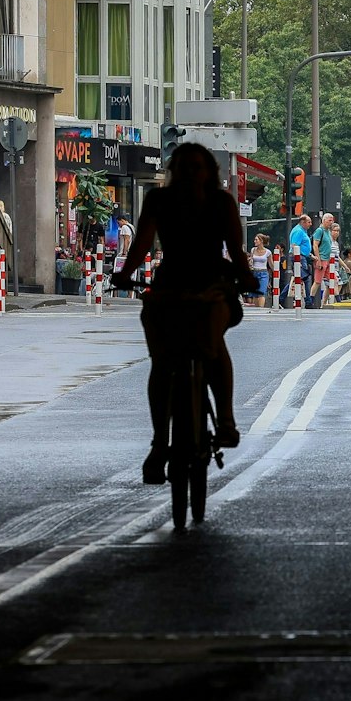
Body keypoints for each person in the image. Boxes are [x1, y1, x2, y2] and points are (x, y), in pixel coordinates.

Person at [109, 142, 246, 485]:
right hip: (176, 286)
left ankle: (223, 420)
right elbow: (142, 243)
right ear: (174, 173)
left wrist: (244, 274)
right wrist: (126, 273)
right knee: (163, 360)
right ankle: (161, 442)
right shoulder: (165, 201)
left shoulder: (219, 203)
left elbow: (235, 247)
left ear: (208, 173)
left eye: (195, 168)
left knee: (209, 345)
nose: (189, 175)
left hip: (207, 285)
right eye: (184, 168)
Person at [287, 214, 314, 306]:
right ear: (303, 222)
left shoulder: (303, 231)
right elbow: (294, 245)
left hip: (302, 257)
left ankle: (281, 297)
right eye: (309, 222)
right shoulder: (298, 231)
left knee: (299, 279)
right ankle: (308, 302)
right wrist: (297, 261)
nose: (311, 224)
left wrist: (310, 255)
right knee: (304, 278)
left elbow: (302, 246)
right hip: (299, 257)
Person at [312, 213, 337, 307]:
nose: (331, 222)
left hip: (328, 259)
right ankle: (311, 300)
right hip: (321, 258)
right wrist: (318, 259)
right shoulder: (319, 231)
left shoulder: (327, 231)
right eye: (329, 220)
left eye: (332, 220)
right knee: (317, 281)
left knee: (333, 280)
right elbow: (315, 245)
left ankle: (325, 302)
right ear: (324, 220)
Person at [248, 233, 272, 307]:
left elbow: (271, 264)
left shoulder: (268, 252)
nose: (254, 241)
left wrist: (276, 273)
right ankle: (257, 310)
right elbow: (251, 262)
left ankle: (261, 310)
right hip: (254, 273)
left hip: (263, 273)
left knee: (261, 293)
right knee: (255, 294)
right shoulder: (253, 250)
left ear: (261, 241)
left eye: (256, 239)